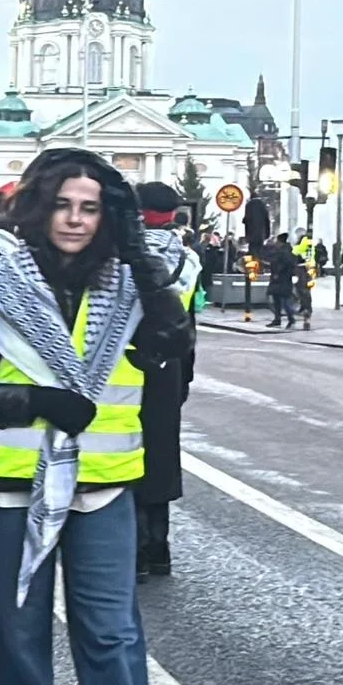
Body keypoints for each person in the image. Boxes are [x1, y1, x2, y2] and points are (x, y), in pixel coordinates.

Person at [0, 148, 186, 685]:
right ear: (39, 208)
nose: (75, 220)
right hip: (11, 490)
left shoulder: (130, 285)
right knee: (19, 644)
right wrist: (34, 401)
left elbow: (175, 337)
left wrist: (138, 250)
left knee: (113, 641)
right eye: (63, 205)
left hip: (104, 491)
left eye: (90, 208)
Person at [130, 183, 200, 581]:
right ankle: (159, 548)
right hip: (169, 362)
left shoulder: (128, 256)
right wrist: (185, 372)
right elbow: (189, 320)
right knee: (161, 452)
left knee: (127, 451)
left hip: (128, 359)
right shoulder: (188, 258)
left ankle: (135, 550)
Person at [266, 234, 300, 329]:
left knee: (284, 301)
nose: (276, 243)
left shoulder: (284, 252)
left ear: (280, 242)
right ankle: (278, 319)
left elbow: (284, 264)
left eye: (277, 241)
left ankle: (290, 319)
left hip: (281, 279)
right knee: (277, 300)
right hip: (280, 279)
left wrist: (277, 272)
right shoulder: (287, 251)